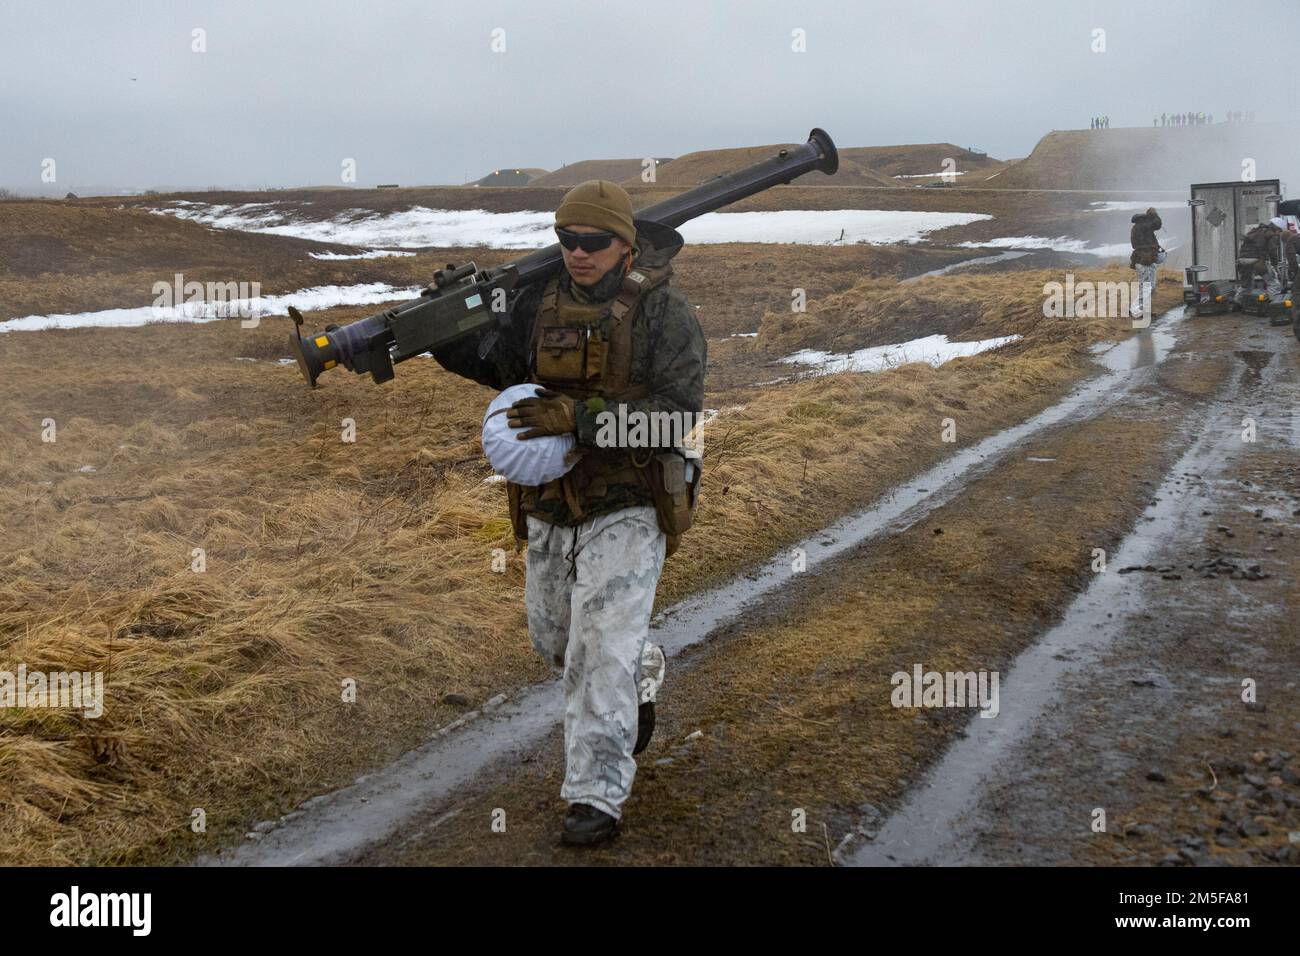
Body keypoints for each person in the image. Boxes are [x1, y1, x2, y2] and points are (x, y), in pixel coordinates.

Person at [431, 179, 706, 845]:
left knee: (598, 650)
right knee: (556, 640)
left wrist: (582, 420)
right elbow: (492, 364)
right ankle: (640, 673)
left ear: (625, 245)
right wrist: (446, 320)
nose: (577, 251)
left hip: (631, 500)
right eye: (566, 239)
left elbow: (677, 422)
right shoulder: (533, 305)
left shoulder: (666, 314)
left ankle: (595, 795)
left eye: (592, 240)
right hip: (552, 504)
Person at [1129, 207, 1163, 319]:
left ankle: (1141, 310)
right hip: (1144, 261)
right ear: (1142, 220)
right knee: (1147, 286)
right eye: (1146, 219)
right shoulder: (1142, 227)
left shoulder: (1138, 227)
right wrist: (1154, 214)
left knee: (1149, 286)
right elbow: (1157, 224)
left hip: (1145, 260)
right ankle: (1135, 309)